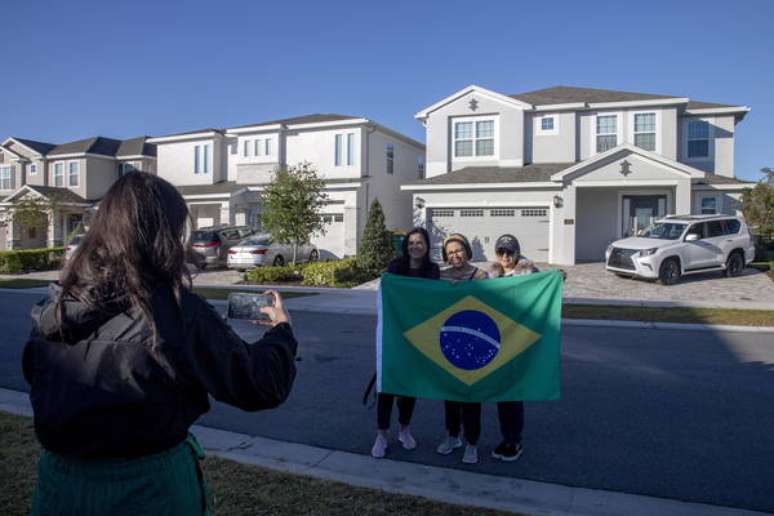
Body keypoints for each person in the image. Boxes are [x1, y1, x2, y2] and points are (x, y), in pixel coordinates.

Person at [22, 171, 298, 516]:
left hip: (59, 489)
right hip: (151, 489)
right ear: (165, 233)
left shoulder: (57, 309)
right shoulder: (175, 311)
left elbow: (36, 376)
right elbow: (258, 385)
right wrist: (281, 332)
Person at [371, 227, 440, 459]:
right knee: (387, 388)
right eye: (411, 243)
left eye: (419, 242)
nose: (414, 246)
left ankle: (404, 429)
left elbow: (433, 301)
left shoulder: (432, 270)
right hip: (394, 335)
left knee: (409, 388)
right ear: (406, 246)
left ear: (427, 246)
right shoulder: (395, 267)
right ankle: (381, 435)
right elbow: (387, 295)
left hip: (418, 338)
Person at [488, 234, 539, 462]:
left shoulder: (529, 274)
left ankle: (515, 440)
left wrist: (558, 278)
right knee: (502, 394)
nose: (506, 257)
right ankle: (505, 438)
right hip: (498, 343)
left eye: (510, 252)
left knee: (513, 395)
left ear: (517, 252)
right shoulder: (490, 276)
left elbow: (546, 290)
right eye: (501, 252)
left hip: (518, 343)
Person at [436, 233, 488, 464]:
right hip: (449, 341)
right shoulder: (440, 276)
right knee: (450, 394)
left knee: (471, 395)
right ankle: (452, 436)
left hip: (474, 342)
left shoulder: (481, 275)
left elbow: (494, 304)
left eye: (458, 250)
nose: (455, 255)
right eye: (450, 252)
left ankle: (472, 443)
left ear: (467, 251)